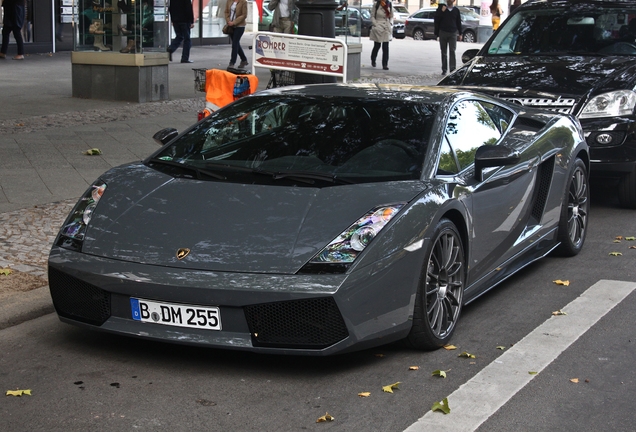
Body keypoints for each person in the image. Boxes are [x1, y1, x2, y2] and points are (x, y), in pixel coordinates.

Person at [434, 0, 462, 75]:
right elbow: (436, 19)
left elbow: (458, 22)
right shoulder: (442, 9)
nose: (449, 1)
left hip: (453, 33)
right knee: (444, 52)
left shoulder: (456, 10)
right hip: (443, 32)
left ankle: (452, 69)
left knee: (452, 51)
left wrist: (460, 33)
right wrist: (441, 12)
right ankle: (444, 69)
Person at [369, 0, 393, 70]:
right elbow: (372, 16)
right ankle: (373, 59)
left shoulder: (389, 4)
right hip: (378, 26)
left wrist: (390, 23)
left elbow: (391, 16)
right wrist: (375, 24)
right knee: (377, 45)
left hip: (386, 26)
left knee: (386, 46)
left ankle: (385, 64)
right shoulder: (376, 4)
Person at [225, 0, 249, 69]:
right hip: (231, 26)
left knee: (235, 44)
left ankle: (232, 62)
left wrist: (234, 22)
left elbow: (244, 15)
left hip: (240, 26)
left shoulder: (243, 2)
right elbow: (226, 12)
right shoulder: (229, 1)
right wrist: (228, 21)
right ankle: (244, 60)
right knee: (236, 44)